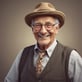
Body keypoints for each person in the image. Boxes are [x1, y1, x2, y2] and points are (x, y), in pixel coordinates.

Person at [4, 2, 82, 82]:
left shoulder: (71, 56)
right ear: (32, 29)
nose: (43, 31)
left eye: (48, 25)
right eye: (38, 25)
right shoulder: (23, 54)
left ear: (57, 28)